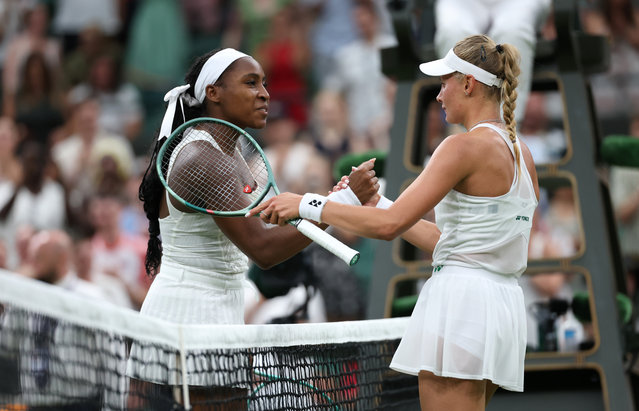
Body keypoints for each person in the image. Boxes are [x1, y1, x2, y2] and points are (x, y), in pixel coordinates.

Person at [249, 35, 540, 410]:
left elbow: (388, 227)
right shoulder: (522, 153)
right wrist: (377, 201)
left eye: (444, 82)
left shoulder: (460, 147)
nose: (439, 95)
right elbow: (450, 243)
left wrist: (306, 204)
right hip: (500, 309)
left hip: (464, 305)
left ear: (468, 84)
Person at [132, 47, 378, 409]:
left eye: (264, 83)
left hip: (217, 311)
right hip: (188, 315)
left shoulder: (230, 154)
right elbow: (263, 250)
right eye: (250, 83)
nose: (264, 93)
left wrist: (328, 200)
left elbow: (273, 224)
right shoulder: (205, 158)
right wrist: (337, 205)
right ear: (213, 92)